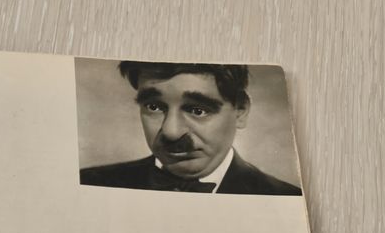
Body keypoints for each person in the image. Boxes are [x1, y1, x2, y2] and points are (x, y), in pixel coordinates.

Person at [80, 62, 302, 195]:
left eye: (197, 110)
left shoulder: (286, 199)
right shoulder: (89, 183)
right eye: (154, 107)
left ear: (241, 111)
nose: (171, 132)